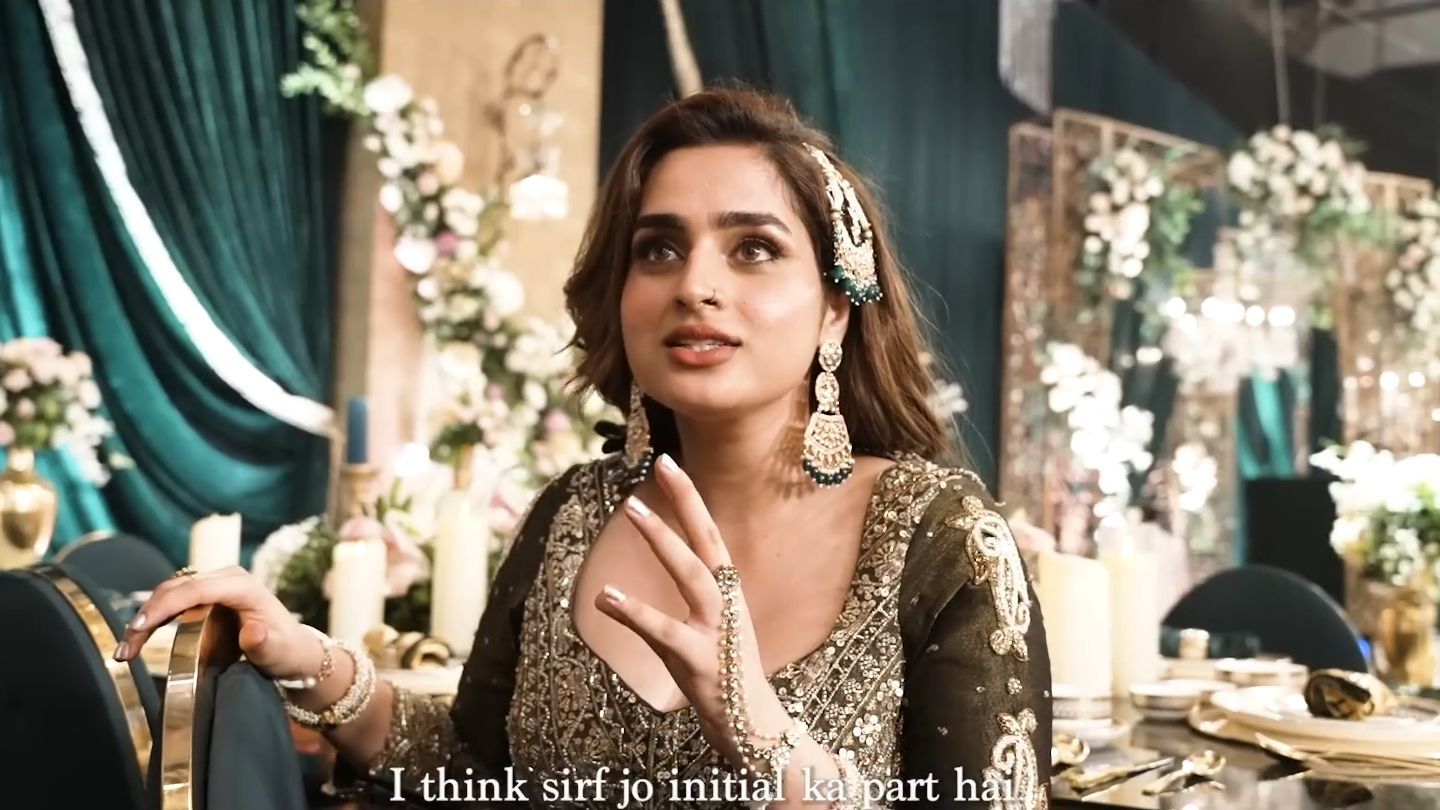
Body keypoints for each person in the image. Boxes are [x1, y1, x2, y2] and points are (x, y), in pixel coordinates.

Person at [117, 88, 1051, 808]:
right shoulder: (575, 513)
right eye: (659, 249)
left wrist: (760, 730)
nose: (695, 285)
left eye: (754, 249)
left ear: (837, 308)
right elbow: (473, 768)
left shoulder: (938, 538)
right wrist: (302, 656)